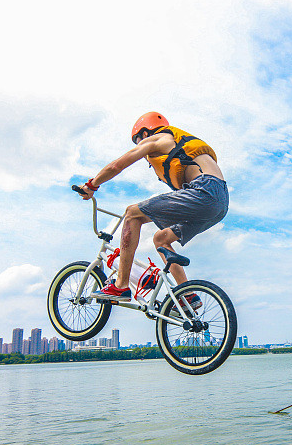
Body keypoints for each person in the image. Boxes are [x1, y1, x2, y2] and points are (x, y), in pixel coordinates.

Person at [78, 112, 229, 304]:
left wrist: (92, 185)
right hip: (220, 203)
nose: (139, 145)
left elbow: (116, 166)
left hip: (204, 190)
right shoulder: (175, 142)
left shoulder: (158, 139)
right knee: (160, 238)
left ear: (144, 133)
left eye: (138, 140)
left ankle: (121, 285)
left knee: (132, 214)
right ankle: (187, 295)